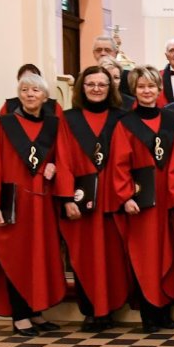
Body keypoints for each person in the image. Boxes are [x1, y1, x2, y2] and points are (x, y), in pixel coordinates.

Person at [0, 73, 65, 337]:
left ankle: (35, 312)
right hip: (12, 203)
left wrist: (55, 165)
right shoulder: (4, 125)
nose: (30, 94)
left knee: (39, 257)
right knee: (16, 258)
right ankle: (20, 316)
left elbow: (64, 157)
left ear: (45, 96)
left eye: (36, 90)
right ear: (19, 95)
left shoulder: (53, 125)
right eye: (25, 90)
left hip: (42, 204)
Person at [108, 66, 174, 333]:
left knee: (168, 252)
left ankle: (164, 308)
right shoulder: (125, 124)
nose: (146, 91)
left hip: (169, 195)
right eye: (141, 87)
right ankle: (149, 312)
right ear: (134, 90)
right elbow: (118, 164)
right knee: (146, 255)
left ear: (159, 90)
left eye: (151, 86)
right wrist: (126, 195)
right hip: (142, 201)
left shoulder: (172, 121)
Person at [54, 67, 130, 332]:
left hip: (113, 198)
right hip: (81, 199)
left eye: (102, 84)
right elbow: (62, 159)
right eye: (90, 84)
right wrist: (66, 197)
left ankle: (109, 308)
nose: (96, 89)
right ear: (81, 88)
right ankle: (91, 310)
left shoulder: (122, 117)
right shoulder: (69, 118)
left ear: (110, 88)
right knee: (84, 255)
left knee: (113, 255)